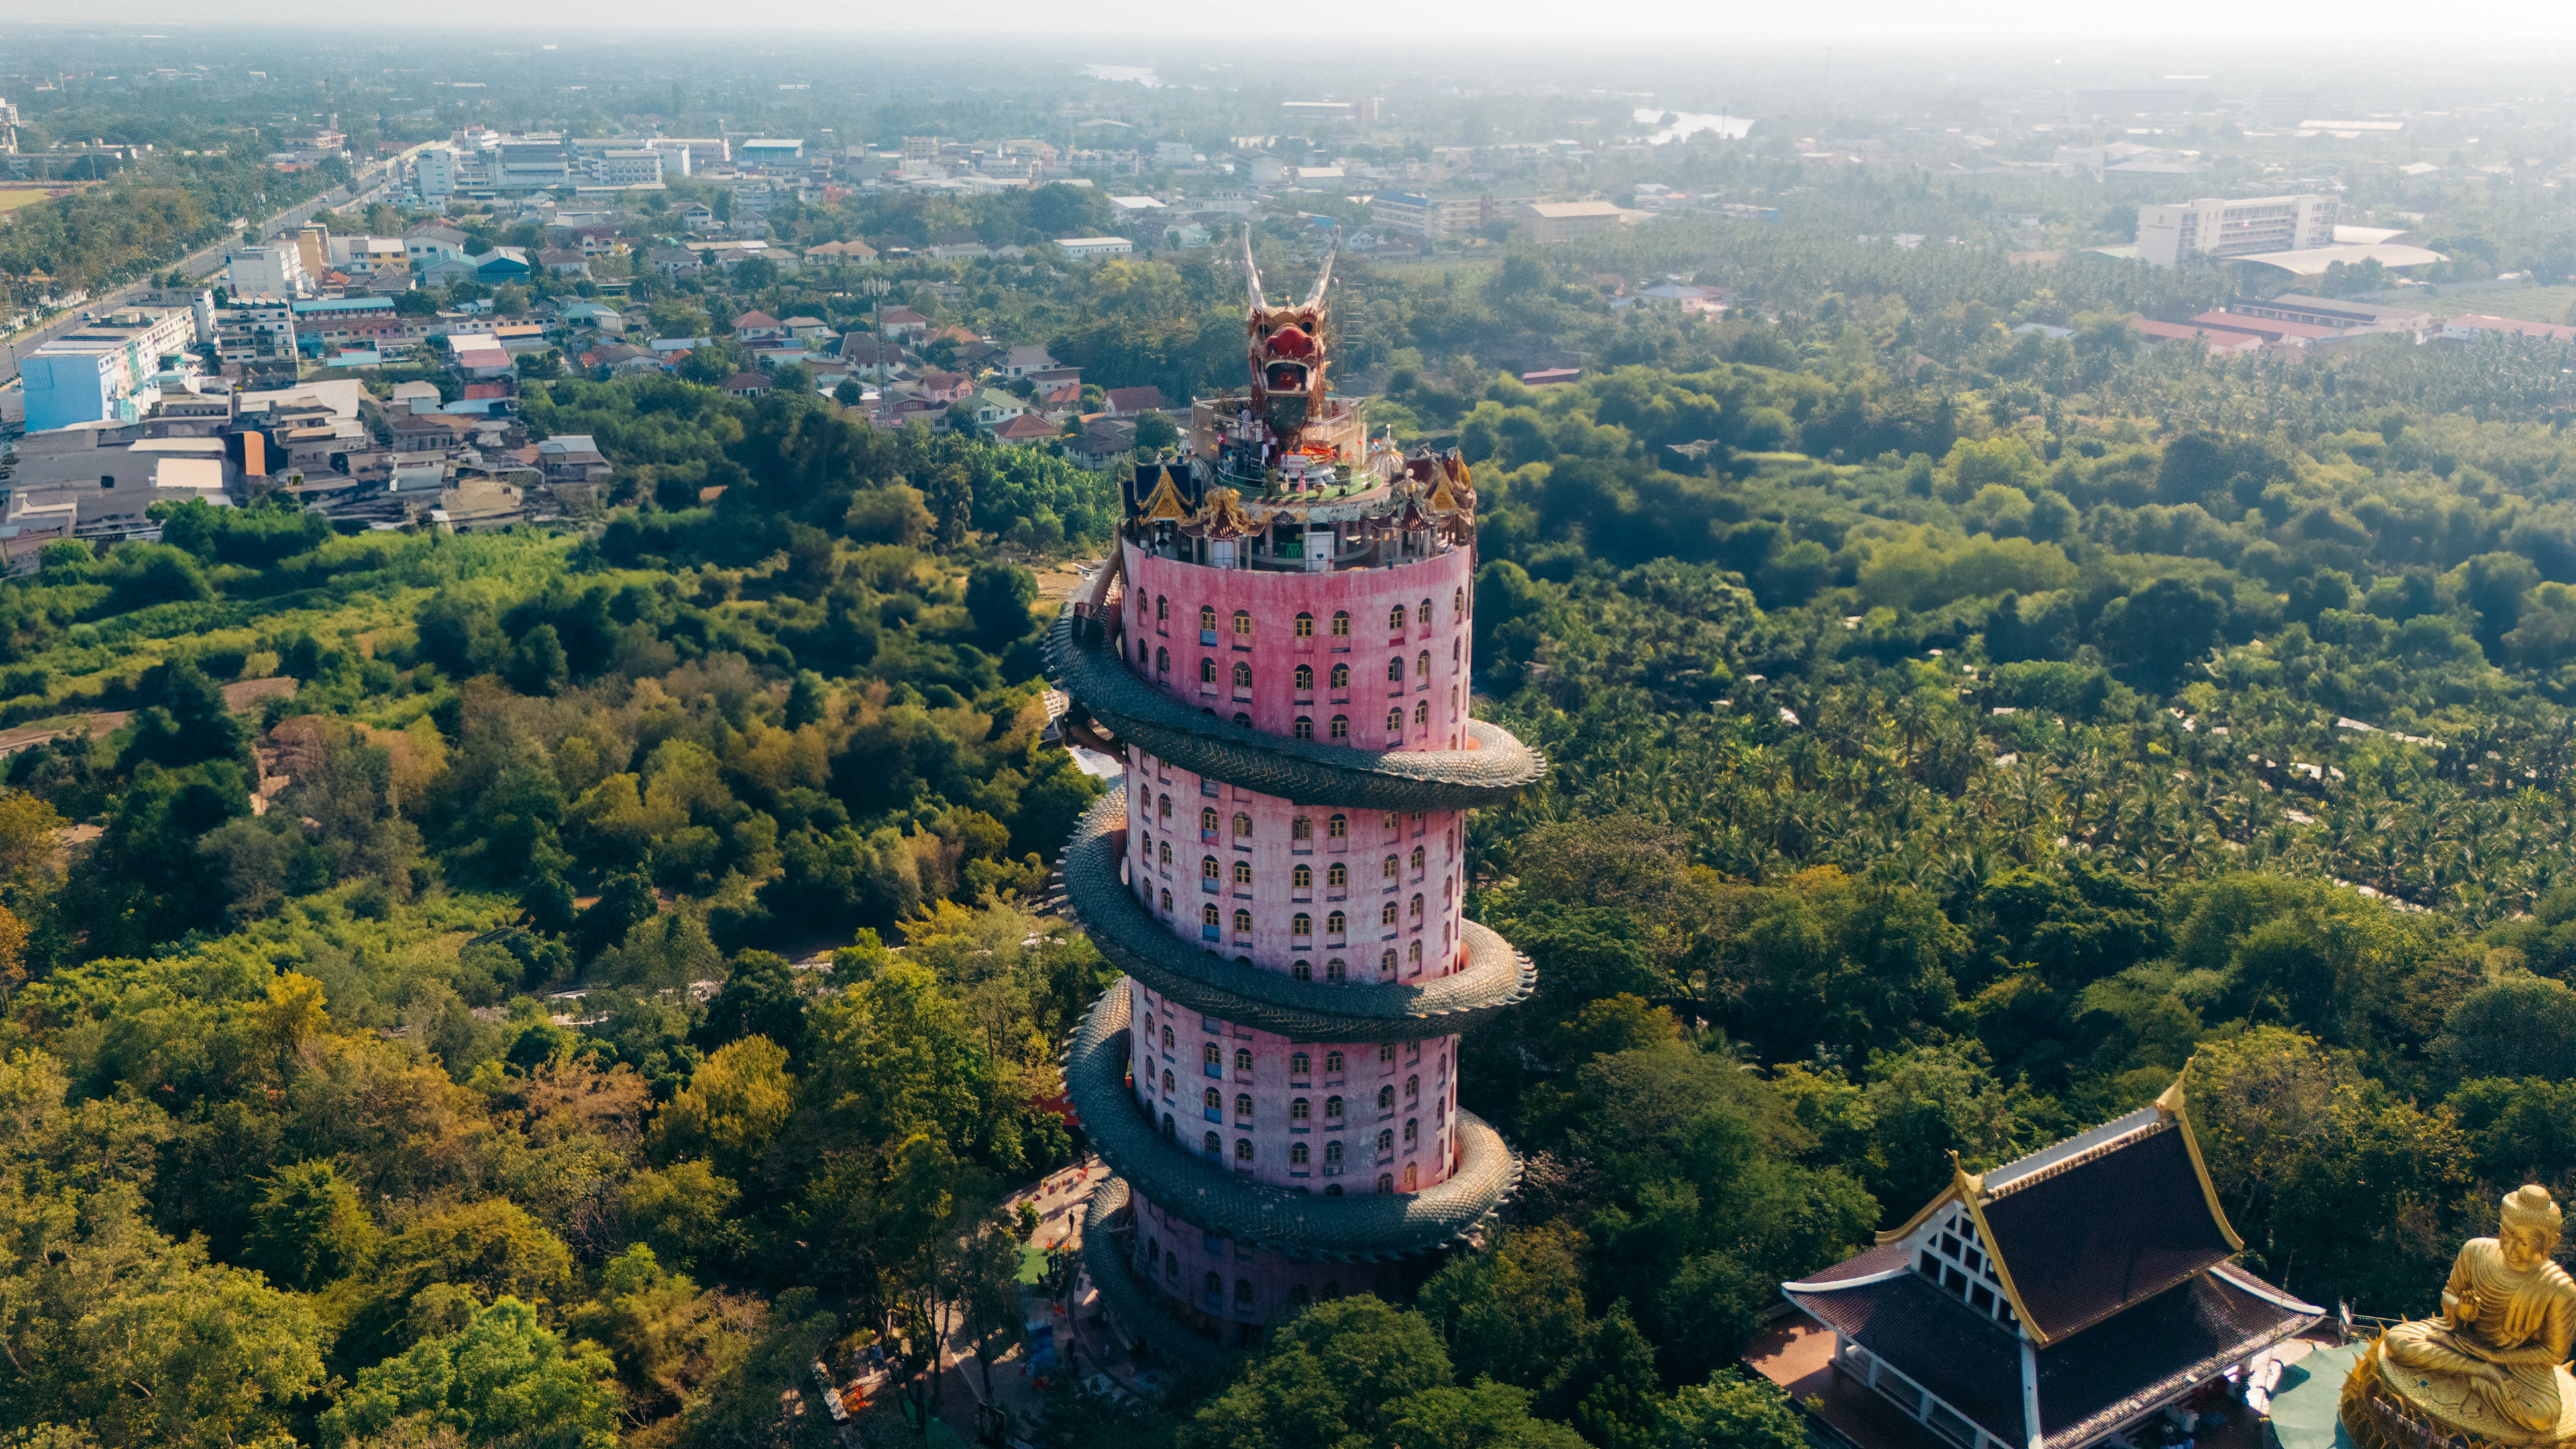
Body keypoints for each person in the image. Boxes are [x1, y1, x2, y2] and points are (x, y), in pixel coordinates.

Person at [2382, 1184, 2576, 1433]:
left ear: (2548, 1242)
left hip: (2513, 1364)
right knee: (2397, 1340)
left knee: (2543, 1416)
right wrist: (2460, 1311)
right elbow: (2448, 1295)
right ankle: (2480, 1372)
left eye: (2524, 1243)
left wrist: (2499, 1358)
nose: (2510, 1247)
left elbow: (2554, 1353)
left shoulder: (2559, 1289)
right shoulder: (2476, 1250)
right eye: (2506, 1234)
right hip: (2460, 1340)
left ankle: (2464, 1370)